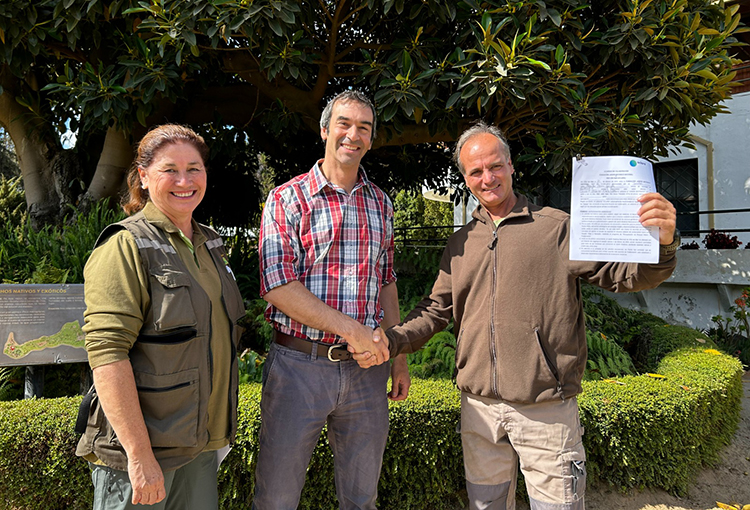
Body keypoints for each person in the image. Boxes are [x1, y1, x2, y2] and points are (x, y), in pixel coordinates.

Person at [371, 121, 679, 510]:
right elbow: (435, 310)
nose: (488, 178)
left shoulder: (557, 229)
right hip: (479, 411)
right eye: (476, 171)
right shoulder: (461, 242)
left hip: (546, 413)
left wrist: (664, 243)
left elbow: (628, 275)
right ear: (466, 179)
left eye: (495, 166)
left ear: (512, 165)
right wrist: (391, 340)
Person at [252, 90, 410, 510]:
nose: (352, 134)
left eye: (364, 127)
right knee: (276, 499)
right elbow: (277, 284)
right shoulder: (287, 198)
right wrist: (353, 330)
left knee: (361, 499)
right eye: (344, 123)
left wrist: (397, 354)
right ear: (324, 129)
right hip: (297, 369)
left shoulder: (381, 203)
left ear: (372, 139)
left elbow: (387, 281)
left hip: (367, 373)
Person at [75, 124, 246, 509]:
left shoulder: (209, 244)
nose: (184, 180)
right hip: (143, 453)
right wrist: (139, 457)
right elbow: (107, 353)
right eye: (170, 169)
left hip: (199, 444)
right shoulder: (126, 244)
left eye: (194, 168)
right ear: (144, 176)